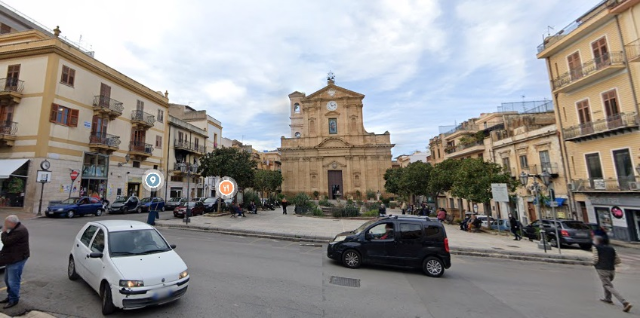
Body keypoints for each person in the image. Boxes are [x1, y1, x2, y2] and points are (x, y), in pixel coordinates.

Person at [592, 236, 632, 312]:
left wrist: (594, 264)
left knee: (608, 285)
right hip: (611, 269)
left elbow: (595, 259)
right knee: (606, 283)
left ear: (597, 241)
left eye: (594, 240)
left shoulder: (596, 247)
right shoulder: (611, 248)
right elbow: (617, 259)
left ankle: (624, 302)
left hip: (602, 269)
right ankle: (608, 299)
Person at [0, 215, 30, 309]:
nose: (5, 225)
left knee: (13, 281)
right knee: (7, 279)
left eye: (6, 223)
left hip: (17, 259)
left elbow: (7, 241)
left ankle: (14, 299)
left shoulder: (19, 231)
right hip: (12, 258)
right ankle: (10, 296)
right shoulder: (15, 228)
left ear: (11, 223)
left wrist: (4, 232)